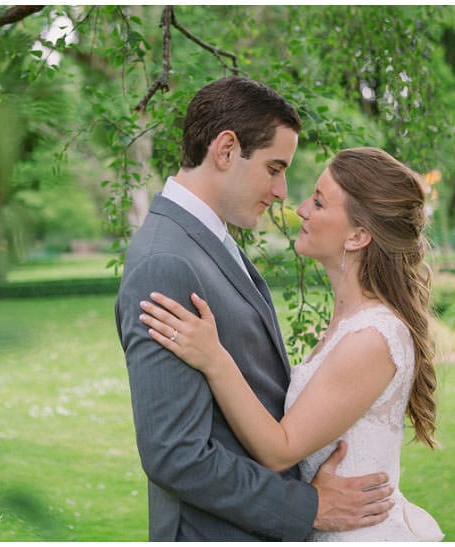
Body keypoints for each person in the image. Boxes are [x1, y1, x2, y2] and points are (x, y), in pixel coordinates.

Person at [115, 77, 394, 541]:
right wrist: (308, 508)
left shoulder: (208, 242)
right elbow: (174, 454)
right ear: (226, 150)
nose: (283, 191)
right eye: (274, 168)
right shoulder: (167, 261)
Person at [138, 146, 444, 541]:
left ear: (358, 235)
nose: (300, 209)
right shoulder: (350, 324)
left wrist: (214, 358)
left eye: (318, 202)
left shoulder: (373, 338)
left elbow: (281, 448)